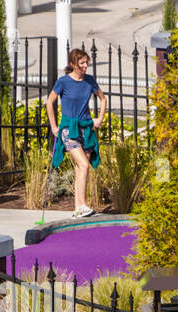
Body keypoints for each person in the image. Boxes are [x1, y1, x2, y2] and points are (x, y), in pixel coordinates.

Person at [46, 48, 107, 219]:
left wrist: (99, 118)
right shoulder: (63, 82)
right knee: (84, 165)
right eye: (82, 63)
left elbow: (103, 98)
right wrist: (54, 126)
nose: (86, 66)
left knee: (83, 168)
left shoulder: (89, 81)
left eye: (87, 62)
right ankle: (81, 206)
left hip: (86, 128)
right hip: (68, 129)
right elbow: (49, 102)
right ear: (73, 64)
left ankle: (79, 207)